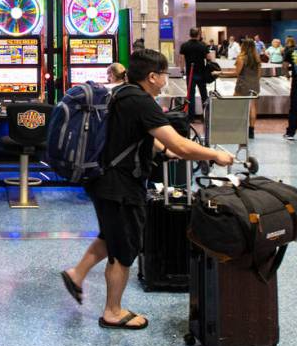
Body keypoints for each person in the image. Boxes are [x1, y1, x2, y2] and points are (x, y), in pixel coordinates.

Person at [60, 49, 234, 330]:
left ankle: (76, 274)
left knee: (111, 235)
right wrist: (214, 155)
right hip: (119, 185)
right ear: (152, 77)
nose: (166, 78)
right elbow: (179, 143)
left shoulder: (120, 93)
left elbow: (141, 135)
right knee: (125, 249)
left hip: (100, 179)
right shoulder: (142, 102)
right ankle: (112, 312)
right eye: (164, 73)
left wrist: (163, 149)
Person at [179, 28, 211, 124]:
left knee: (190, 96)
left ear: (190, 34)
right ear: (198, 35)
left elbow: (181, 59)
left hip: (190, 73)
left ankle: (191, 117)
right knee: (204, 95)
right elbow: (209, 58)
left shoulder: (184, 45)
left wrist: (182, 70)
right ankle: (206, 116)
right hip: (201, 73)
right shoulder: (203, 45)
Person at [232, 38, 262, 139]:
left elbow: (237, 73)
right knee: (252, 106)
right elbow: (258, 75)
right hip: (254, 84)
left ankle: (238, 128)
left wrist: (220, 73)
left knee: (235, 105)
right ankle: (251, 130)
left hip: (242, 84)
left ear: (243, 46)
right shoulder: (257, 58)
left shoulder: (241, 58)